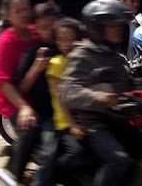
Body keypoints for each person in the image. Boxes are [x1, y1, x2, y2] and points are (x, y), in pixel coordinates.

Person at [59, 0, 136, 186]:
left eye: (119, 24)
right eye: (112, 25)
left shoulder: (115, 56)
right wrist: (99, 97)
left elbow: (127, 85)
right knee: (119, 160)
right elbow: (69, 90)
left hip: (118, 118)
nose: (118, 29)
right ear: (96, 27)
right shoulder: (82, 54)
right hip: (93, 123)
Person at [0, 0, 39, 186]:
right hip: (11, 98)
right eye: (18, 11)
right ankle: (12, 173)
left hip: (36, 94)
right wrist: (24, 108)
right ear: (8, 16)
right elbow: (3, 82)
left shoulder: (36, 33)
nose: (24, 14)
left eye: (26, 9)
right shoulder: (5, 42)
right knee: (31, 128)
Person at [13, 3, 61, 185]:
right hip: (40, 113)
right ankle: (15, 175)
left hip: (63, 111)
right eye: (43, 27)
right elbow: (22, 88)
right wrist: (37, 67)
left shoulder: (65, 46)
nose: (48, 31)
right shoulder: (34, 51)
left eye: (52, 26)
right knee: (48, 151)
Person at [35, 17, 86, 186]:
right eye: (61, 40)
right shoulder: (56, 64)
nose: (66, 44)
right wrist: (72, 125)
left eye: (71, 39)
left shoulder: (81, 60)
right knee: (77, 153)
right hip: (64, 122)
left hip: (85, 118)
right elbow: (60, 98)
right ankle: (52, 175)